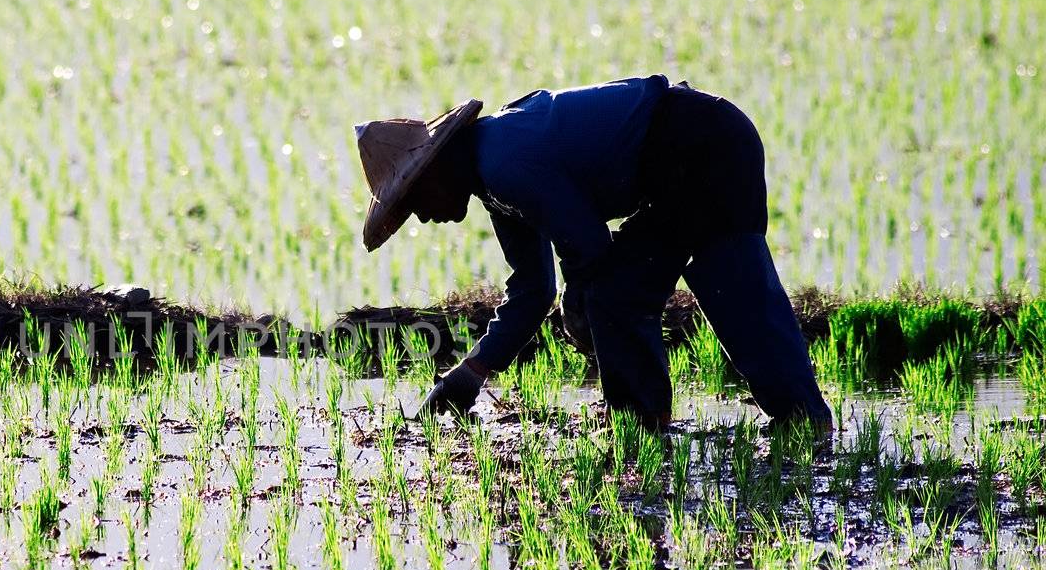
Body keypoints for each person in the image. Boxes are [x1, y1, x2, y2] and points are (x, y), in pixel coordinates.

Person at [353, 75, 832, 432]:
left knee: (633, 292)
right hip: (696, 149)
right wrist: (470, 373)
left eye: (414, 201)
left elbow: (588, 249)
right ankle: (798, 419)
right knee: (726, 283)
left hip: (700, 144)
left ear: (435, 170)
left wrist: (580, 302)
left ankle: (644, 427)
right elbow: (533, 291)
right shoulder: (492, 179)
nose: (420, 217)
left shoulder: (504, 163)